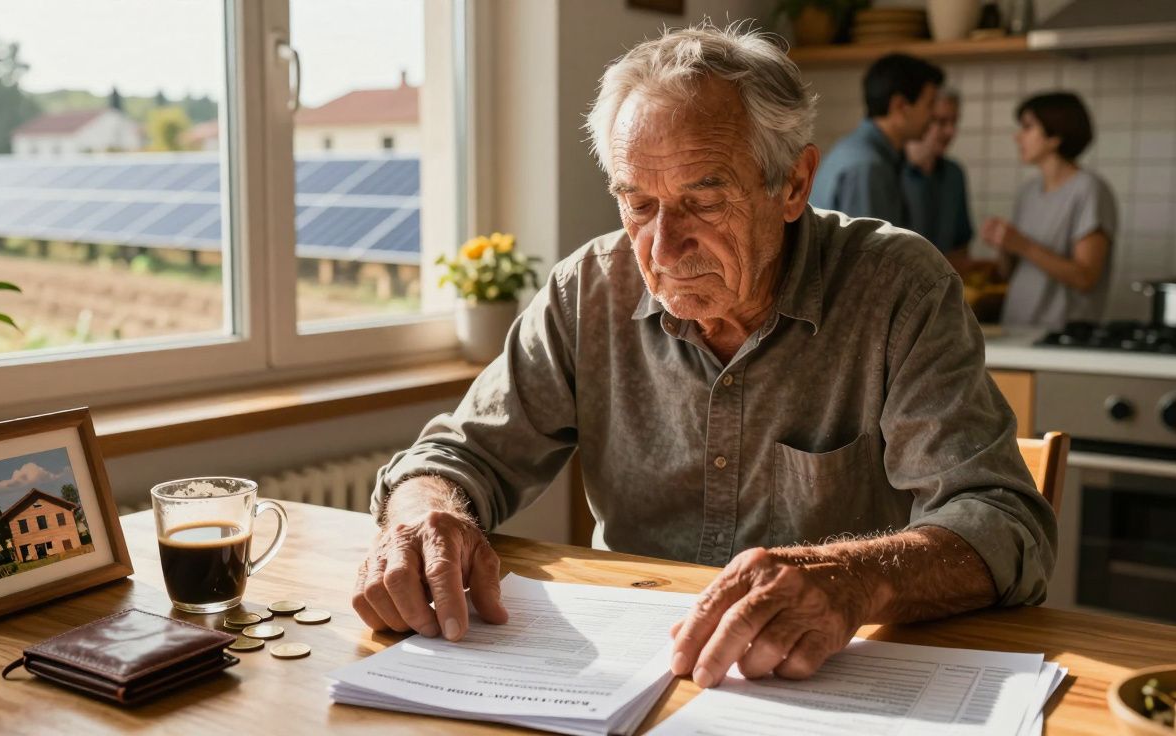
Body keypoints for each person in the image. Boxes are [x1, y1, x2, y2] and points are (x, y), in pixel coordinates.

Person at [354, 24, 1055, 689]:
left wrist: (849, 577)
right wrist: (425, 514)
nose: (661, 249)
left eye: (703, 200)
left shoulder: (898, 288)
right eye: (637, 204)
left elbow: (1003, 521)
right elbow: (456, 458)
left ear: (793, 186)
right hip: (631, 675)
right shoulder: (587, 290)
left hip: (829, 681)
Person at [984, 92, 1117, 330]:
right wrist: (1005, 245)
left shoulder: (1089, 190)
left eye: (1027, 127)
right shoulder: (1028, 192)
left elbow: (1085, 277)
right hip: (1016, 329)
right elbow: (1011, 272)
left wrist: (1022, 244)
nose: (1017, 137)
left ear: (1054, 136)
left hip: (1062, 336)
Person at [808, 53, 944, 228]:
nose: (934, 115)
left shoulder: (866, 154)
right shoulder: (867, 166)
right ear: (900, 106)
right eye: (930, 104)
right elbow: (866, 253)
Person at [903, 87, 973, 274]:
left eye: (954, 122)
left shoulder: (954, 174)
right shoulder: (891, 171)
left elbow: (961, 243)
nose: (950, 131)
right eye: (941, 122)